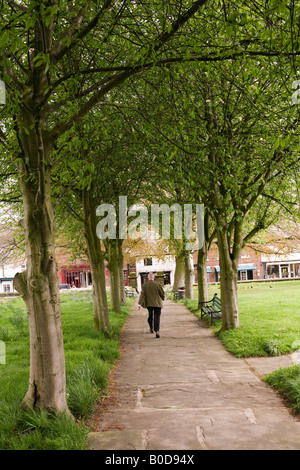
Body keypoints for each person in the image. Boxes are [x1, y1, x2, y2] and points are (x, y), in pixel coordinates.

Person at [138, 272, 165, 338]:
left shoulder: (144, 285)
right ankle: (157, 331)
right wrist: (163, 298)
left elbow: (142, 295)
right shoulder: (158, 285)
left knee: (150, 315)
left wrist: (139, 304)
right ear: (154, 277)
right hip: (157, 303)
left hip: (149, 303)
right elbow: (162, 294)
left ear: (148, 277)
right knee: (157, 316)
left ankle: (151, 328)